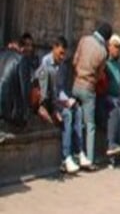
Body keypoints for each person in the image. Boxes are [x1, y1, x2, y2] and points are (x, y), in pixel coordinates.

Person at [35, 37, 82, 173]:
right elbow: (45, 92)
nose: (62, 56)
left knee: (77, 110)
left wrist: (67, 100)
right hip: (47, 102)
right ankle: (65, 157)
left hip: (57, 99)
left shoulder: (61, 65)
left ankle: (78, 151)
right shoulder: (45, 63)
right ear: (54, 48)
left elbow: (59, 88)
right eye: (60, 53)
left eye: (64, 53)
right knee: (67, 115)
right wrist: (57, 108)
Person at [72, 23, 112, 170]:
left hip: (76, 84)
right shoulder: (102, 51)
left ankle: (74, 155)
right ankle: (89, 159)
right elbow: (100, 74)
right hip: (89, 89)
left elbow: (74, 61)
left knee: (75, 121)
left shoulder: (84, 40)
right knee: (89, 125)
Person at [0, 42, 32, 129]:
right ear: (21, 49)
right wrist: (26, 116)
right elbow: (25, 92)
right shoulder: (21, 59)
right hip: (9, 114)